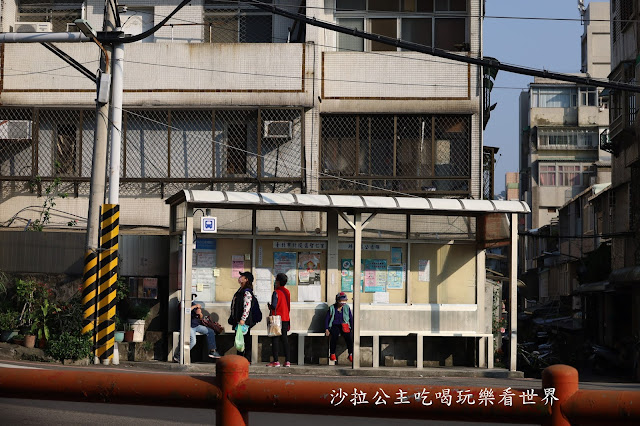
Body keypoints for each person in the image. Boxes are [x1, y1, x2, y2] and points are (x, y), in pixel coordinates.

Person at [229, 271, 257, 363]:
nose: (240, 278)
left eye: (242, 277)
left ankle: (247, 359)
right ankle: (240, 359)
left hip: (244, 321)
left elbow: (247, 306)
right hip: (238, 320)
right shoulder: (240, 291)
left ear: (246, 280)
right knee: (239, 339)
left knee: (245, 339)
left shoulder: (247, 292)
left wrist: (243, 319)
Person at [266, 272, 291, 367]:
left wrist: (269, 306)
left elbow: (274, 306)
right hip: (285, 317)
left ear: (278, 282)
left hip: (276, 318)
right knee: (285, 339)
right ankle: (287, 361)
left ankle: (276, 361)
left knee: (275, 339)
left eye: (276, 280)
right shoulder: (287, 292)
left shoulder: (276, 292)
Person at [325, 292, 354, 363]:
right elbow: (327, 319)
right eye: (341, 300)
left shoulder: (347, 307)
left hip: (345, 325)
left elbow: (350, 318)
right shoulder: (332, 308)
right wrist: (326, 329)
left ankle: (350, 353)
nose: (343, 302)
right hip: (335, 325)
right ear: (337, 300)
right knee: (334, 336)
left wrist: (352, 328)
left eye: (344, 301)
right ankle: (332, 353)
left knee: (349, 336)